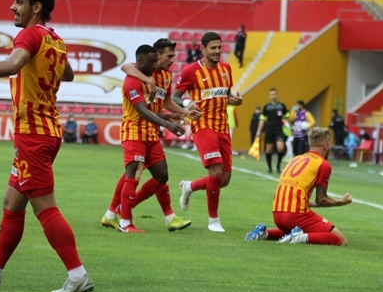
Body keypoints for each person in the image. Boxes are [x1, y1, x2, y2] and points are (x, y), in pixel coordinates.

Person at [0, 0, 93, 292]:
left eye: (19, 2)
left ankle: (77, 275)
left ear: (36, 7)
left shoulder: (30, 34)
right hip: (47, 130)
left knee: (45, 207)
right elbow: (69, 73)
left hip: (33, 132)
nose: (12, 7)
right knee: (12, 202)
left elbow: (13, 64)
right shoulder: (54, 40)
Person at [101, 38, 200, 233]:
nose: (172, 60)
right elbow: (141, 106)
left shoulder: (165, 77)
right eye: (169, 56)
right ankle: (127, 221)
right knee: (134, 174)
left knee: (160, 175)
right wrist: (167, 124)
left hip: (151, 132)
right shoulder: (136, 76)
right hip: (135, 131)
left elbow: (166, 101)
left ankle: (114, 212)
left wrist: (183, 112)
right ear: (157, 55)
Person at [173, 31, 242, 233]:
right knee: (216, 172)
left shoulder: (226, 69)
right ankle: (213, 221)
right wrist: (187, 102)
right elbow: (174, 97)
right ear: (203, 49)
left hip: (222, 126)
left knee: (225, 179)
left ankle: (189, 186)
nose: (217, 51)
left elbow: (224, 94)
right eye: (213, 48)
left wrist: (233, 100)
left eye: (219, 47)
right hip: (203, 124)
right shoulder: (191, 71)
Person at [244, 127, 352, 246]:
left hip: (277, 213)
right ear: (326, 145)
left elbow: (295, 194)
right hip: (295, 215)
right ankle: (300, 237)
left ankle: (265, 234)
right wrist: (341, 202)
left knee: (296, 229)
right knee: (340, 239)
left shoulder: (296, 159)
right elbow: (321, 200)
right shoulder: (323, 164)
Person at [254, 88, 289, 174]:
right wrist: (258, 132)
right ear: (269, 96)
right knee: (269, 149)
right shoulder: (266, 107)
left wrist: (289, 127)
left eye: (274, 94)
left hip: (279, 129)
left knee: (281, 148)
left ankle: (278, 166)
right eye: (271, 94)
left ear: (277, 95)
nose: (273, 96)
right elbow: (262, 120)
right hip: (269, 129)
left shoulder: (282, 106)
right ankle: (270, 168)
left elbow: (287, 116)